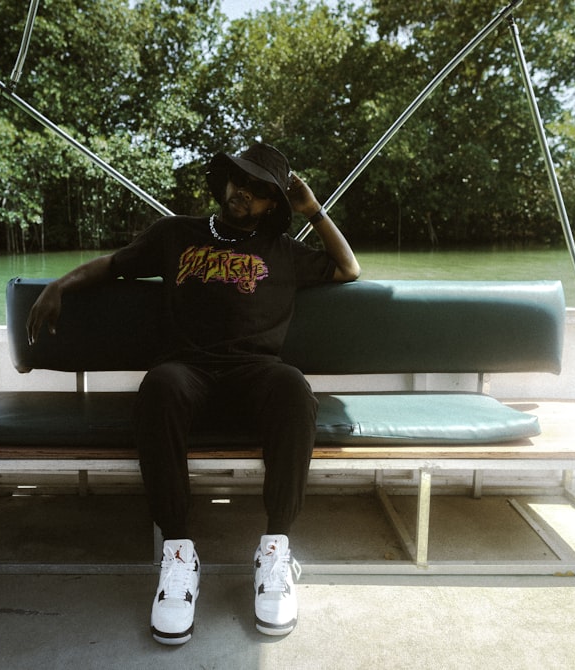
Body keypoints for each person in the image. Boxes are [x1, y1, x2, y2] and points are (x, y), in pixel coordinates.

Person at [26, 143, 360, 645]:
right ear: (224, 181)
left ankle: (274, 548)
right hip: (188, 371)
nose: (243, 194)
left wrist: (313, 210)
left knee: (293, 388)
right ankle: (179, 554)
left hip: (256, 372)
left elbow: (348, 268)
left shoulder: (284, 252)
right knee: (159, 385)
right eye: (238, 181)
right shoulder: (175, 234)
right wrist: (60, 285)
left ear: (274, 204)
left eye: (259, 191)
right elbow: (115, 264)